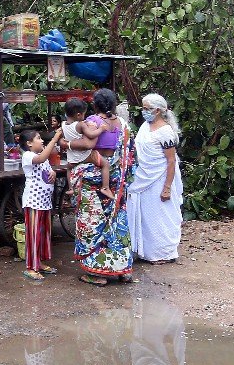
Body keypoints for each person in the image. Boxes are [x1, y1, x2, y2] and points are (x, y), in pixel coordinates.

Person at [67, 97, 135, 285]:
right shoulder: (123, 125)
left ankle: (97, 273)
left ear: (95, 106)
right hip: (117, 183)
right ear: (113, 105)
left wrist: (67, 145)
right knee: (116, 223)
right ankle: (122, 270)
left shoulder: (93, 122)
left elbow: (86, 146)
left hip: (92, 182)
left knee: (92, 223)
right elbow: (130, 155)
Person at [127, 93, 182, 264]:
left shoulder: (165, 132)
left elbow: (171, 161)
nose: (144, 111)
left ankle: (163, 252)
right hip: (143, 178)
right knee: (146, 217)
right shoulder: (145, 126)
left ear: (157, 110)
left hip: (160, 179)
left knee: (161, 216)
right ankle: (147, 251)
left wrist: (167, 187)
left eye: (147, 109)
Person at [18, 127, 64, 282]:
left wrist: (54, 173)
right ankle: (31, 267)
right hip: (33, 202)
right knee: (33, 234)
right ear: (29, 143)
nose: (42, 140)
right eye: (38, 138)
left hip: (44, 202)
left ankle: (40, 262)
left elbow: (48, 168)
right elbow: (41, 159)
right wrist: (54, 139)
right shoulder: (28, 156)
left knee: (43, 234)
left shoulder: (40, 155)